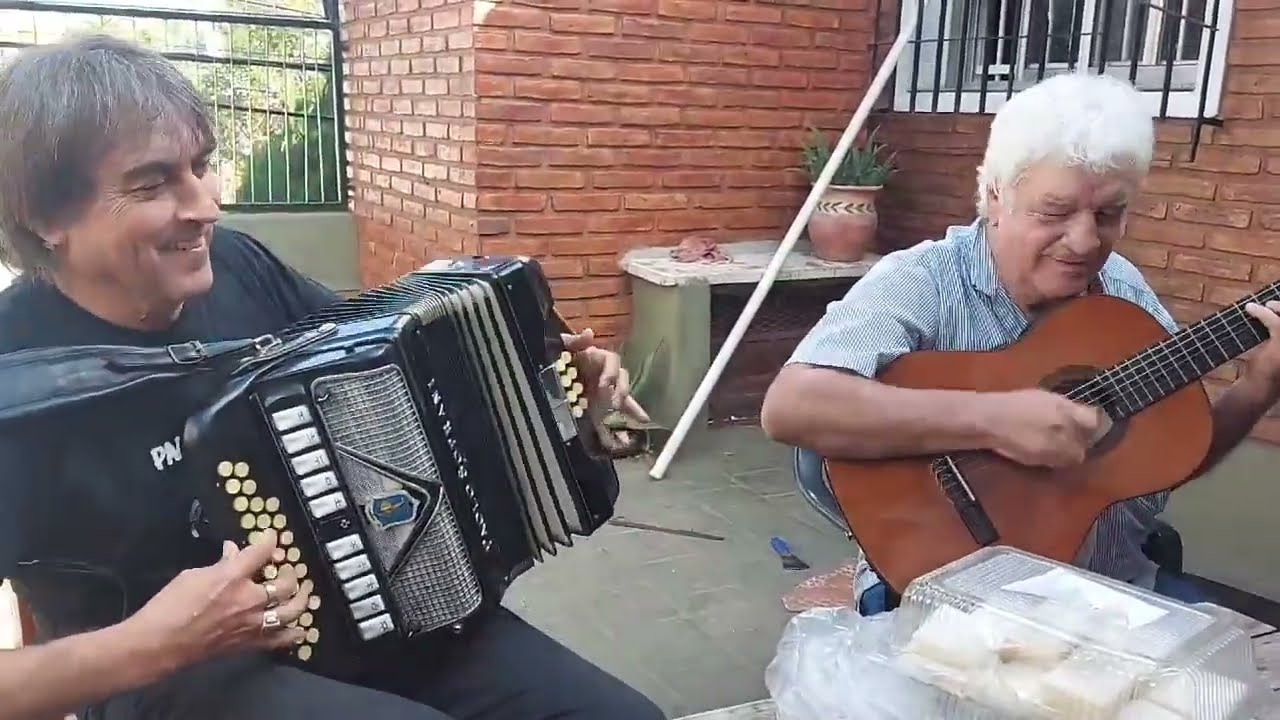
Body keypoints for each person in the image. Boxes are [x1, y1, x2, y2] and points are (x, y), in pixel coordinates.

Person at [0, 35, 664, 720]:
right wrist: (154, 644)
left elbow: (391, 371)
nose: (206, 207)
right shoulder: (14, 383)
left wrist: (545, 390)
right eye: (151, 183)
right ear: (47, 217)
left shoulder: (238, 264)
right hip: (175, 677)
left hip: (367, 602)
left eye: (201, 166)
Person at [761, 72, 1280, 616]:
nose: (1084, 241)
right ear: (994, 194)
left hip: (1110, 591)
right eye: (1054, 212)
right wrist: (994, 420)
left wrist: (1260, 385)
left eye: (1108, 214)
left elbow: (1171, 457)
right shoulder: (925, 279)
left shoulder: (1122, 290)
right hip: (942, 598)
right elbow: (792, 406)